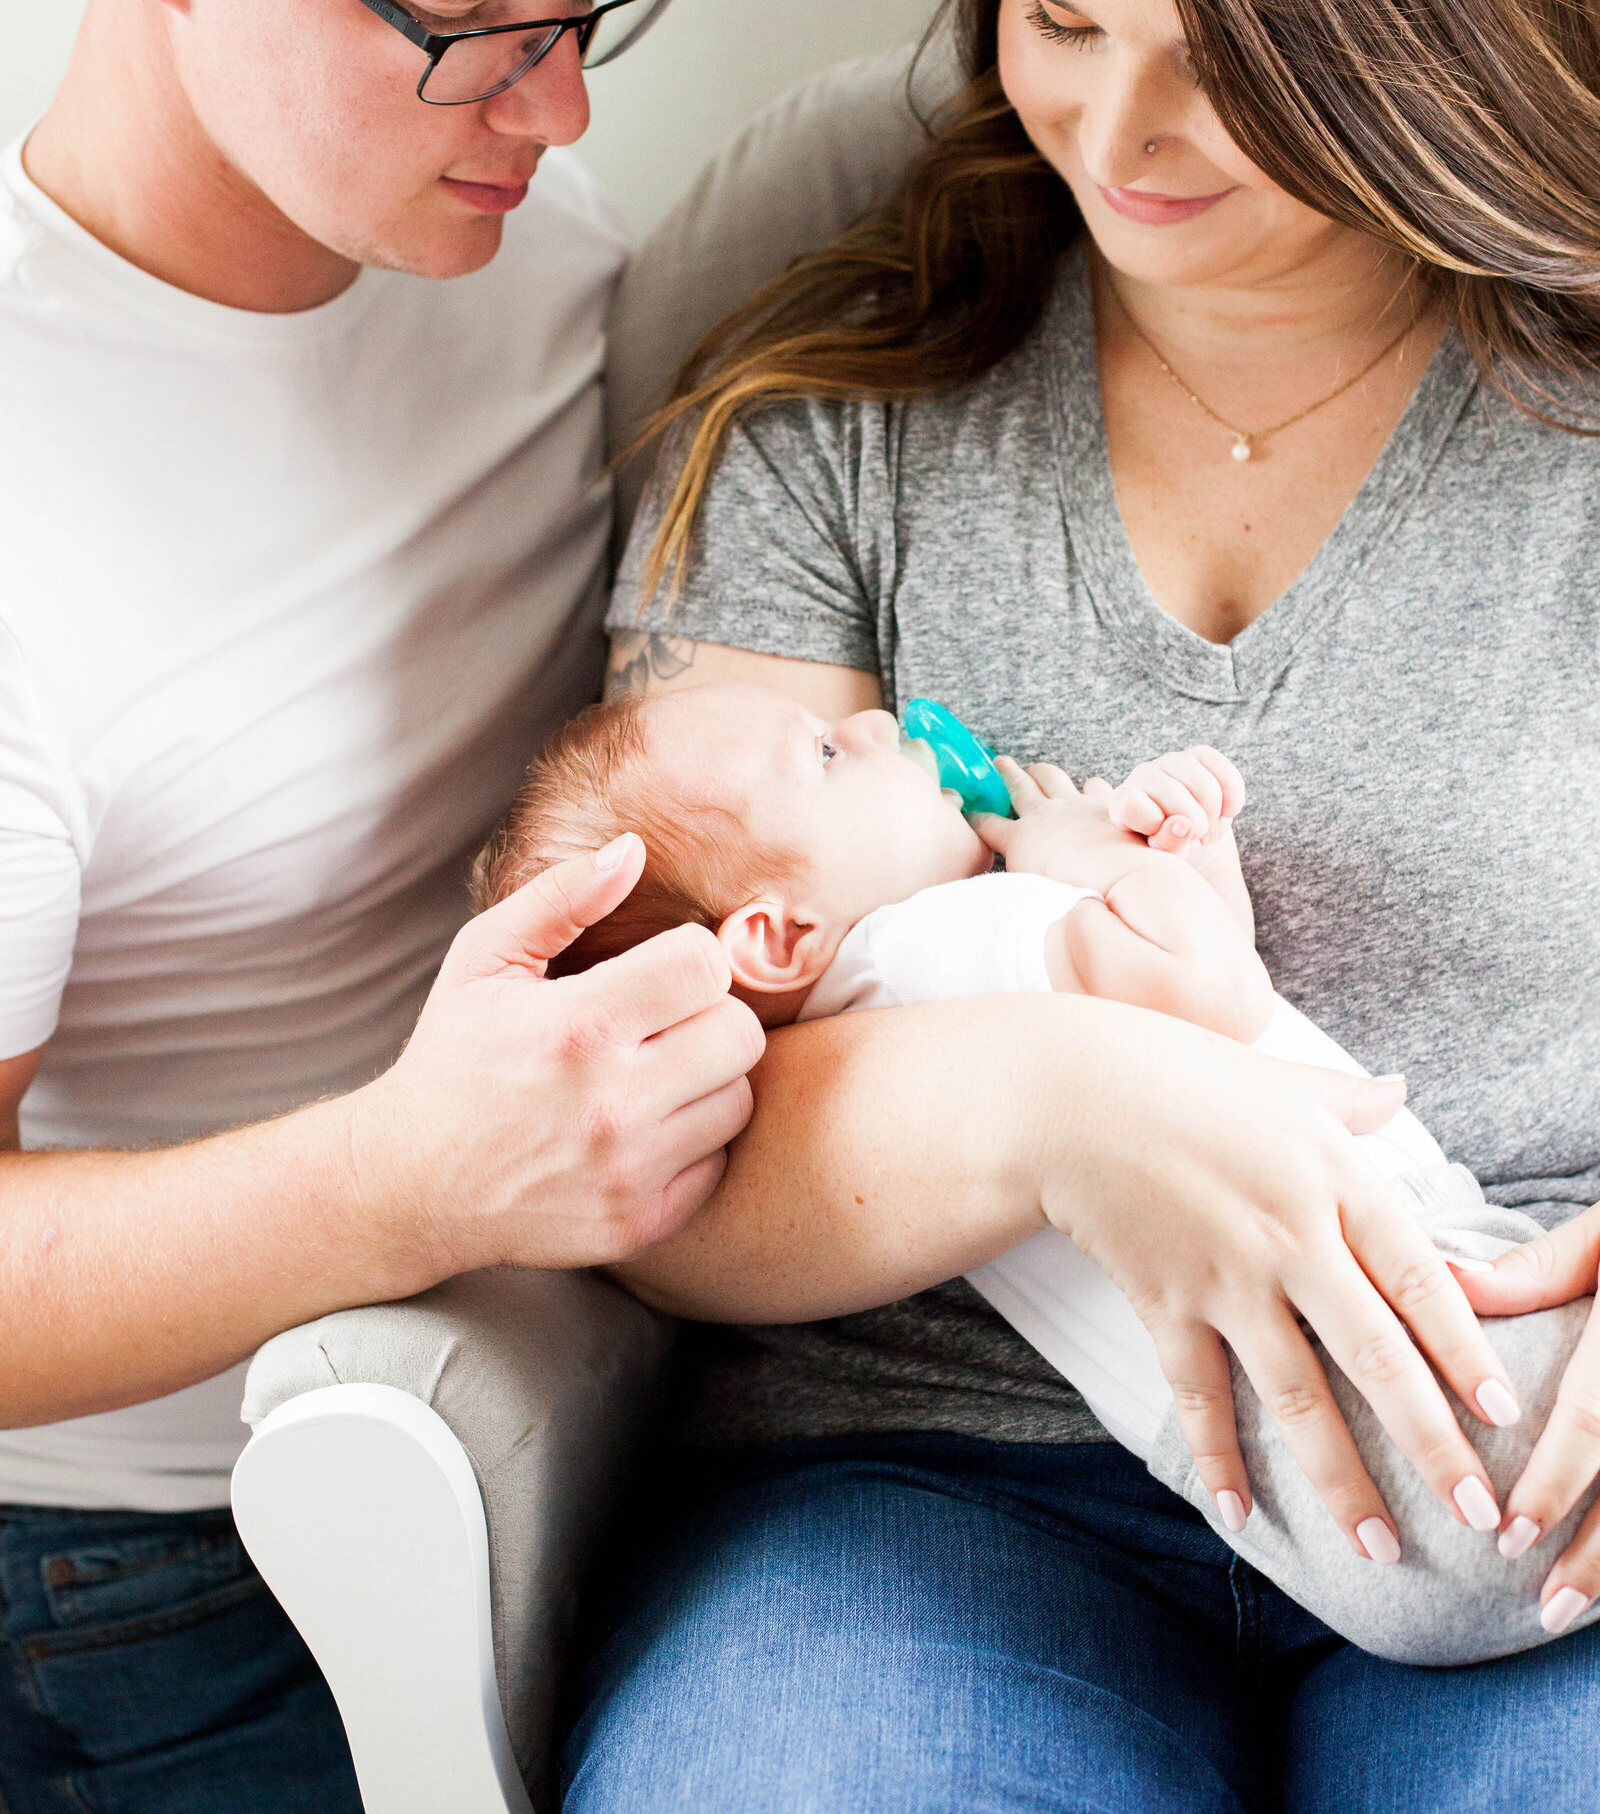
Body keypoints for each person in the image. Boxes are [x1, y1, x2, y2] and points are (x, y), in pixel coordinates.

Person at [558, 0, 1600, 1814]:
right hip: (928, 1492)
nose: (1113, 137)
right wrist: (1052, 1100)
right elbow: (642, 1125)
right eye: (1054, 16)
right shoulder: (836, 418)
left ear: (1422, 13)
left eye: (1229, 59)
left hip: (1524, 1476)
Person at [0, 0, 770, 1814]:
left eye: (591, 4)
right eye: (468, 34)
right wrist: (405, 1167)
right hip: (153, 1547)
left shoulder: (521, 241)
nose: (554, 118)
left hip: (578, 1378)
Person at [475, 681, 1593, 1664]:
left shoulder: (885, 1025)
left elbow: (1206, 1015)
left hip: (1308, 1498)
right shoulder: (940, 940)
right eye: (822, 754)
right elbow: (1208, 992)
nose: (873, 722)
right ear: (776, 937)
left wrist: (1178, 880)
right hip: (1400, 1338)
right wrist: (1083, 857)